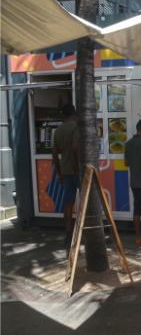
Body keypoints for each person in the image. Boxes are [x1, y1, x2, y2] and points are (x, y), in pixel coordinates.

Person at [52, 104, 79, 247]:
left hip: (66, 171)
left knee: (68, 203)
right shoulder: (76, 127)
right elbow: (75, 148)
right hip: (78, 171)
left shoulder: (58, 131)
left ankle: (68, 234)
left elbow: (55, 154)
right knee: (89, 201)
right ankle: (90, 233)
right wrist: (76, 166)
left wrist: (59, 172)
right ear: (74, 113)